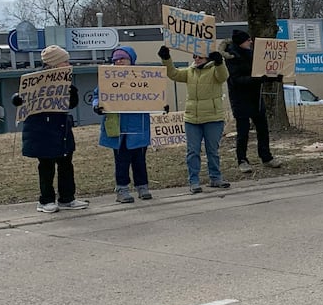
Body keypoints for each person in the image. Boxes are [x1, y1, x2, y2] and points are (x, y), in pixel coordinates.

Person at [12, 44, 88, 213]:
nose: (69, 64)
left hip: (61, 129)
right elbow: (23, 98)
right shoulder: (36, 81)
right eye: (65, 61)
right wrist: (17, 100)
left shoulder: (65, 82)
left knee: (66, 165)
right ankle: (46, 200)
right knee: (46, 167)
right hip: (42, 131)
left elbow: (71, 104)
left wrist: (71, 91)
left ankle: (67, 198)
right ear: (54, 64)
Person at [159, 42, 230, 193]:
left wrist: (219, 62)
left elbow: (223, 76)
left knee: (212, 150)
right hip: (192, 119)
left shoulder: (214, 71)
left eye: (200, 57)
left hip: (213, 118)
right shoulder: (189, 72)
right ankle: (194, 181)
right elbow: (173, 74)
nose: (197, 59)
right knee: (193, 151)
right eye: (195, 56)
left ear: (208, 59)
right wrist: (166, 58)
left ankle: (216, 178)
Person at [94, 45, 155, 202]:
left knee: (139, 160)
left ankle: (142, 187)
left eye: (122, 59)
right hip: (118, 126)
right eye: (116, 59)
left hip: (138, 125)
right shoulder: (108, 77)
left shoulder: (143, 77)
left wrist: (160, 105)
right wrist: (97, 105)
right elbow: (97, 94)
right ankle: (122, 189)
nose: (119, 62)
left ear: (131, 60)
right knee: (121, 161)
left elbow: (154, 94)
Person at [224, 30, 280, 173]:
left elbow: (261, 71)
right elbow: (236, 80)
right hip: (240, 99)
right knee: (243, 131)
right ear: (241, 42)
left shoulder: (252, 54)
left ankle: (266, 157)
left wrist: (273, 76)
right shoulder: (231, 57)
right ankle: (242, 160)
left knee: (263, 129)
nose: (251, 42)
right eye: (248, 40)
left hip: (255, 97)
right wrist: (258, 79)